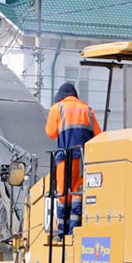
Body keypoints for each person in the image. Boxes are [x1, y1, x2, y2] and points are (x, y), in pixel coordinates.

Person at [45, 82, 101, 237]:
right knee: (78, 193)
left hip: (66, 159)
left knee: (63, 194)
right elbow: (98, 135)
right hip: (84, 160)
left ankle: (62, 233)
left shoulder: (58, 108)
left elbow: (51, 132)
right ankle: (74, 230)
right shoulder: (88, 110)